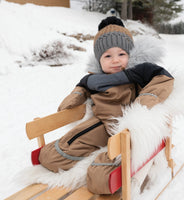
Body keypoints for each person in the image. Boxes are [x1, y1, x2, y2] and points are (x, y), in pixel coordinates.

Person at [38, 16, 174, 194]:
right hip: (101, 123)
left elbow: (164, 79)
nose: (116, 60)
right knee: (50, 156)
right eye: (108, 55)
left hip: (128, 127)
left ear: (130, 55)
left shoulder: (139, 71)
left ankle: (112, 172)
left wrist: (145, 101)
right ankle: (76, 156)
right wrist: (75, 97)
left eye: (122, 54)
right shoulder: (93, 79)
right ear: (99, 60)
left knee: (99, 178)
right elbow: (81, 89)